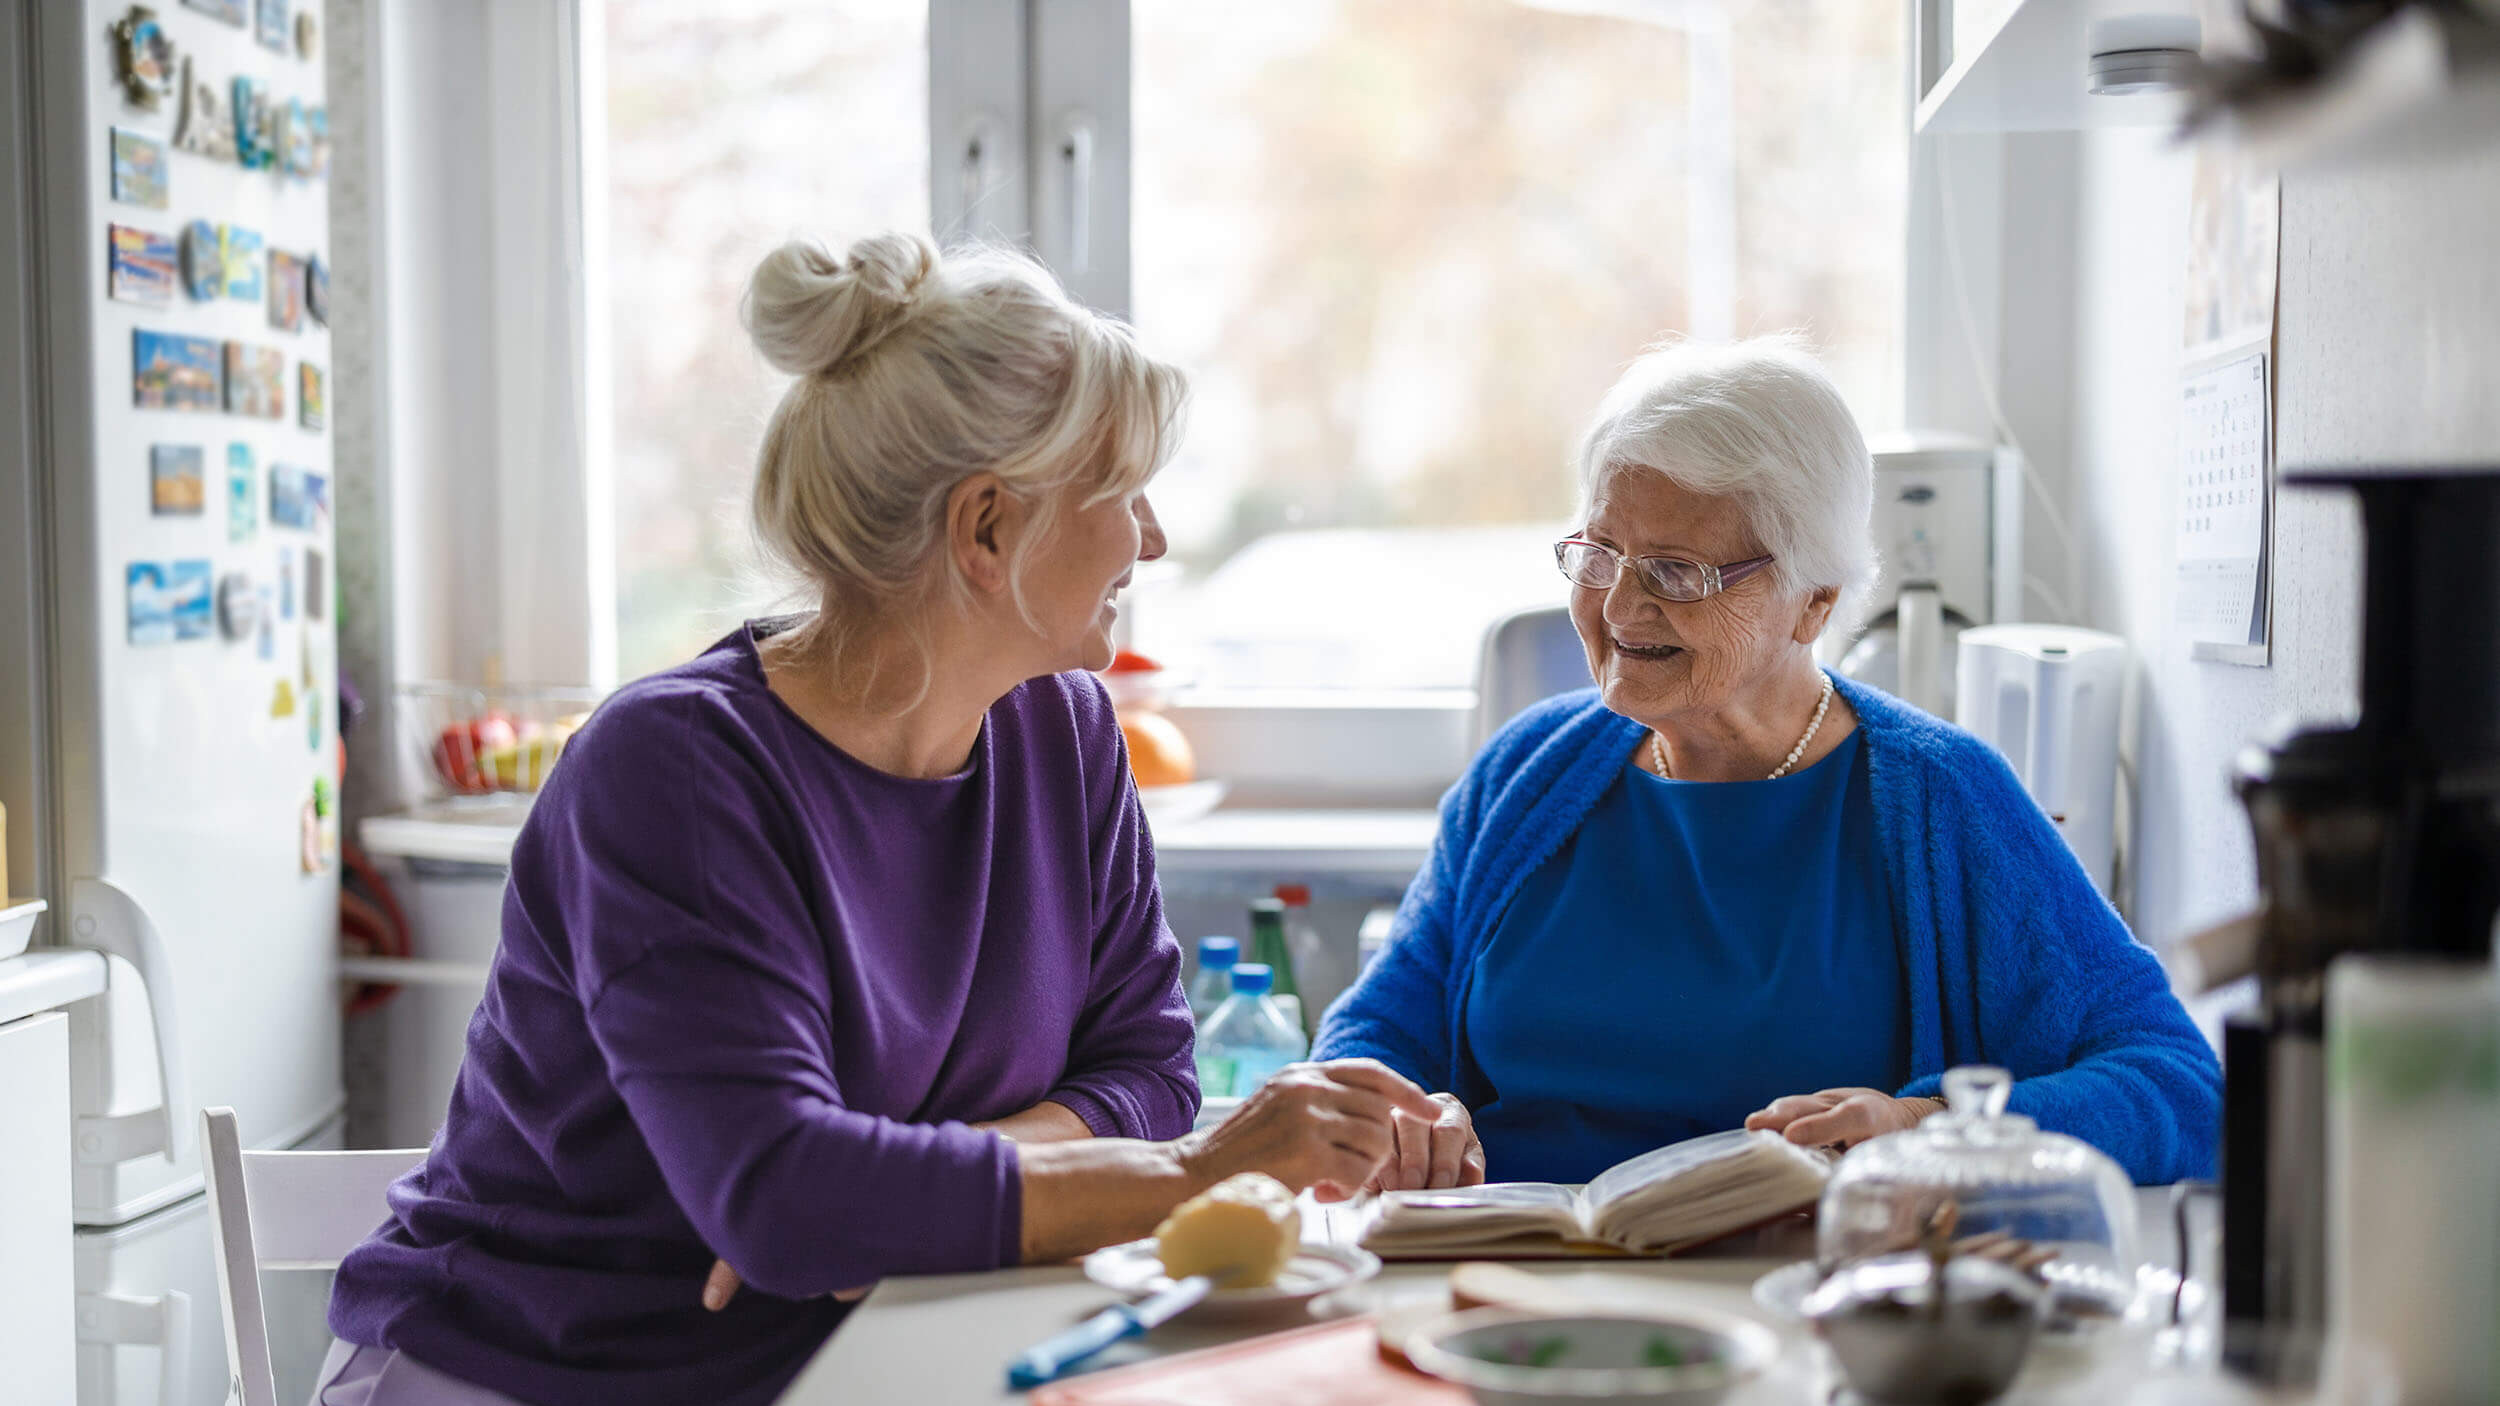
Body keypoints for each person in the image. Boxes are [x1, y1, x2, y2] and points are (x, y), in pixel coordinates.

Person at [315, 234, 1437, 1406]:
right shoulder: (676, 772)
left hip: (846, 1353)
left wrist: (878, 1203)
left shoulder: (1064, 732)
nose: (1151, 538)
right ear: (987, 529)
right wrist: (1200, 1169)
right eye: (1122, 492)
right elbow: (792, 1197)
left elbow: (1145, 1063)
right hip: (537, 1372)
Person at [1313, 335, 2220, 1192]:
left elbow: (2181, 1087)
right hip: (1506, 1284)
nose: (1619, 605)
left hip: (1801, 1306)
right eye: (1599, 555)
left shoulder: (1942, 799)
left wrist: (1930, 1131)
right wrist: (1403, 1114)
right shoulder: (1527, 771)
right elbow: (1375, 1032)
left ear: (1811, 603)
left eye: (1675, 572)